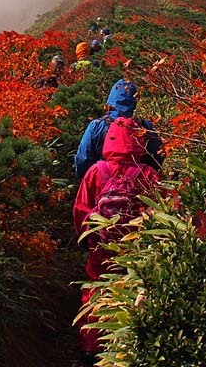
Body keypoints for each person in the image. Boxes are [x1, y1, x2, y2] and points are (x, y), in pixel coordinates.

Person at [73, 117, 161, 363]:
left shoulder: (96, 171)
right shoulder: (149, 174)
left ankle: (90, 347)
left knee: (94, 291)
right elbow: (161, 212)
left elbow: (81, 208)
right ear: (139, 141)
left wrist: (86, 239)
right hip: (135, 248)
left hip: (101, 246)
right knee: (135, 290)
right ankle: (127, 346)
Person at [74, 79, 163, 178]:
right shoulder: (145, 127)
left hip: (102, 183)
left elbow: (83, 160)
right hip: (137, 183)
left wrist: (91, 179)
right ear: (134, 100)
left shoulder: (97, 126)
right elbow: (157, 159)